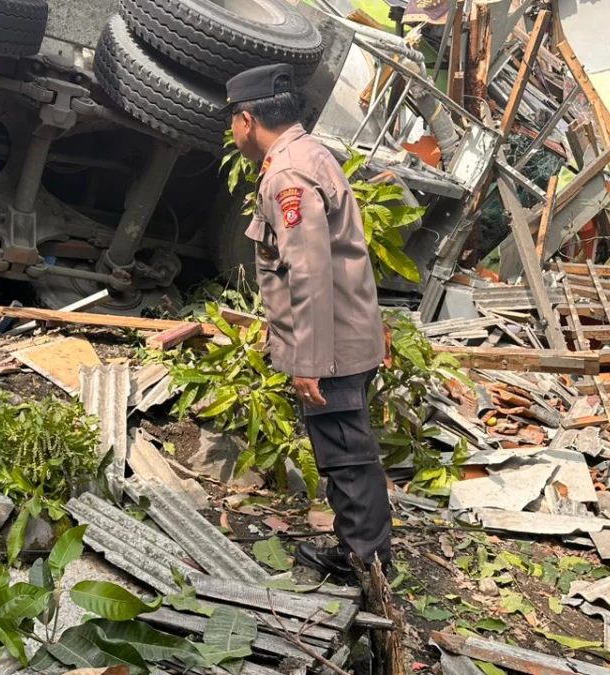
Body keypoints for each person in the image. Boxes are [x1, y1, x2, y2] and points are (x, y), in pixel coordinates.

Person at [224, 63, 392, 580]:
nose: (231, 130)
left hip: (331, 348)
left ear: (248, 120)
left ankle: (365, 566)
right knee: (351, 453)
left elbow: (311, 269)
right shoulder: (311, 153)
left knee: (345, 458)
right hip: (347, 335)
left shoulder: (287, 175)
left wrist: (310, 362)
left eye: (232, 120)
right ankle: (366, 554)